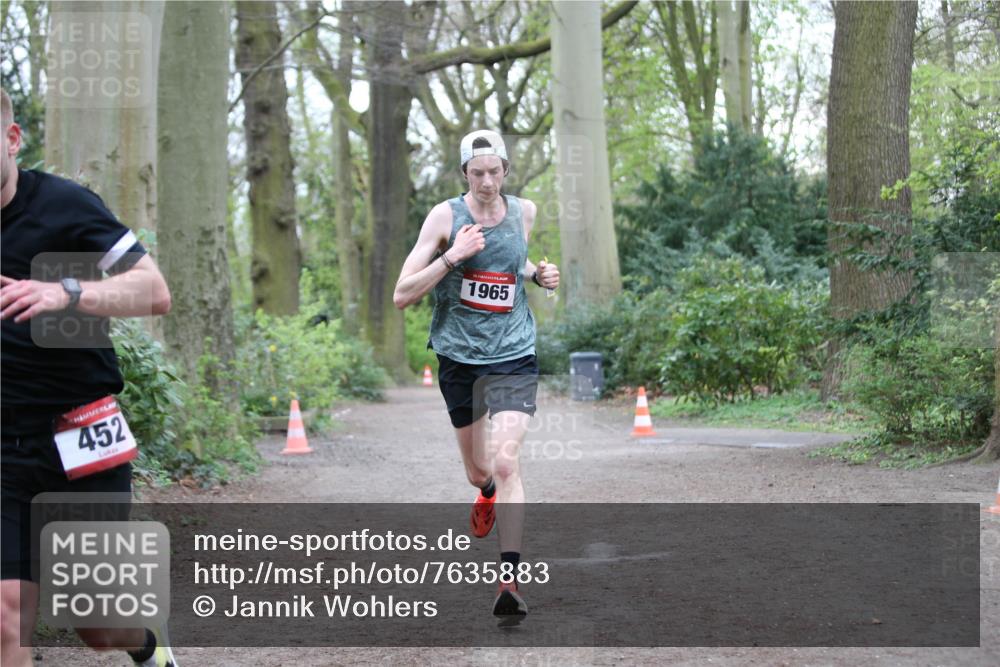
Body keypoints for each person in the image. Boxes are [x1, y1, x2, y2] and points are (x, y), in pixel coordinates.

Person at [0, 89, 176, 666]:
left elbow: (155, 292)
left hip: (80, 430)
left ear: (12, 138)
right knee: (7, 617)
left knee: (97, 623)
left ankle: (148, 650)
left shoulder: (65, 206)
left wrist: (68, 290)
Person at [394, 130, 559, 619]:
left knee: (507, 463)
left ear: (506, 170)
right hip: (459, 357)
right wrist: (452, 257)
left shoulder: (524, 212)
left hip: (513, 352)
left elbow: (510, 263)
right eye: (477, 173)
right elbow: (402, 294)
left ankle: (508, 581)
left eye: (495, 171)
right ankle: (483, 492)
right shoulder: (445, 217)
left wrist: (535, 275)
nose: (487, 182)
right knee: (479, 471)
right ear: (464, 174)